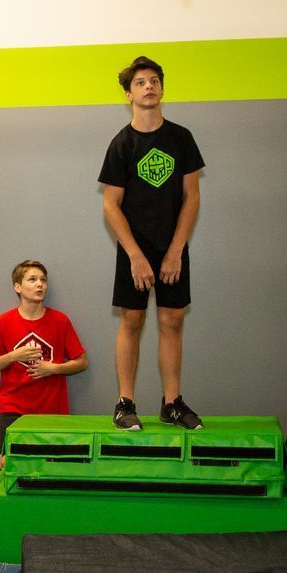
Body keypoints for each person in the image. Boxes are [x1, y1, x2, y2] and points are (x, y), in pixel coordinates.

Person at [97, 56, 205, 432]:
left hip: (172, 243)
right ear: (129, 93)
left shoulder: (181, 138)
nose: (149, 86)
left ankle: (171, 404)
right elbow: (111, 205)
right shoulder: (121, 143)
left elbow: (192, 197)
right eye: (140, 82)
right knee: (132, 318)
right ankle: (125, 403)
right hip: (134, 248)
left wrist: (176, 250)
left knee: (172, 320)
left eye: (154, 80)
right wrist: (135, 255)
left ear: (162, 88)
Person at [0, 260, 89, 467]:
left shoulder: (60, 320)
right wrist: (13, 356)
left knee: (54, 468)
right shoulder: (4, 321)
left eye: (43, 280)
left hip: (54, 412)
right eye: (32, 279)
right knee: (9, 465)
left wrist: (54, 368)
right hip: (14, 411)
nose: (40, 284)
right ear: (17, 287)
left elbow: (82, 362)